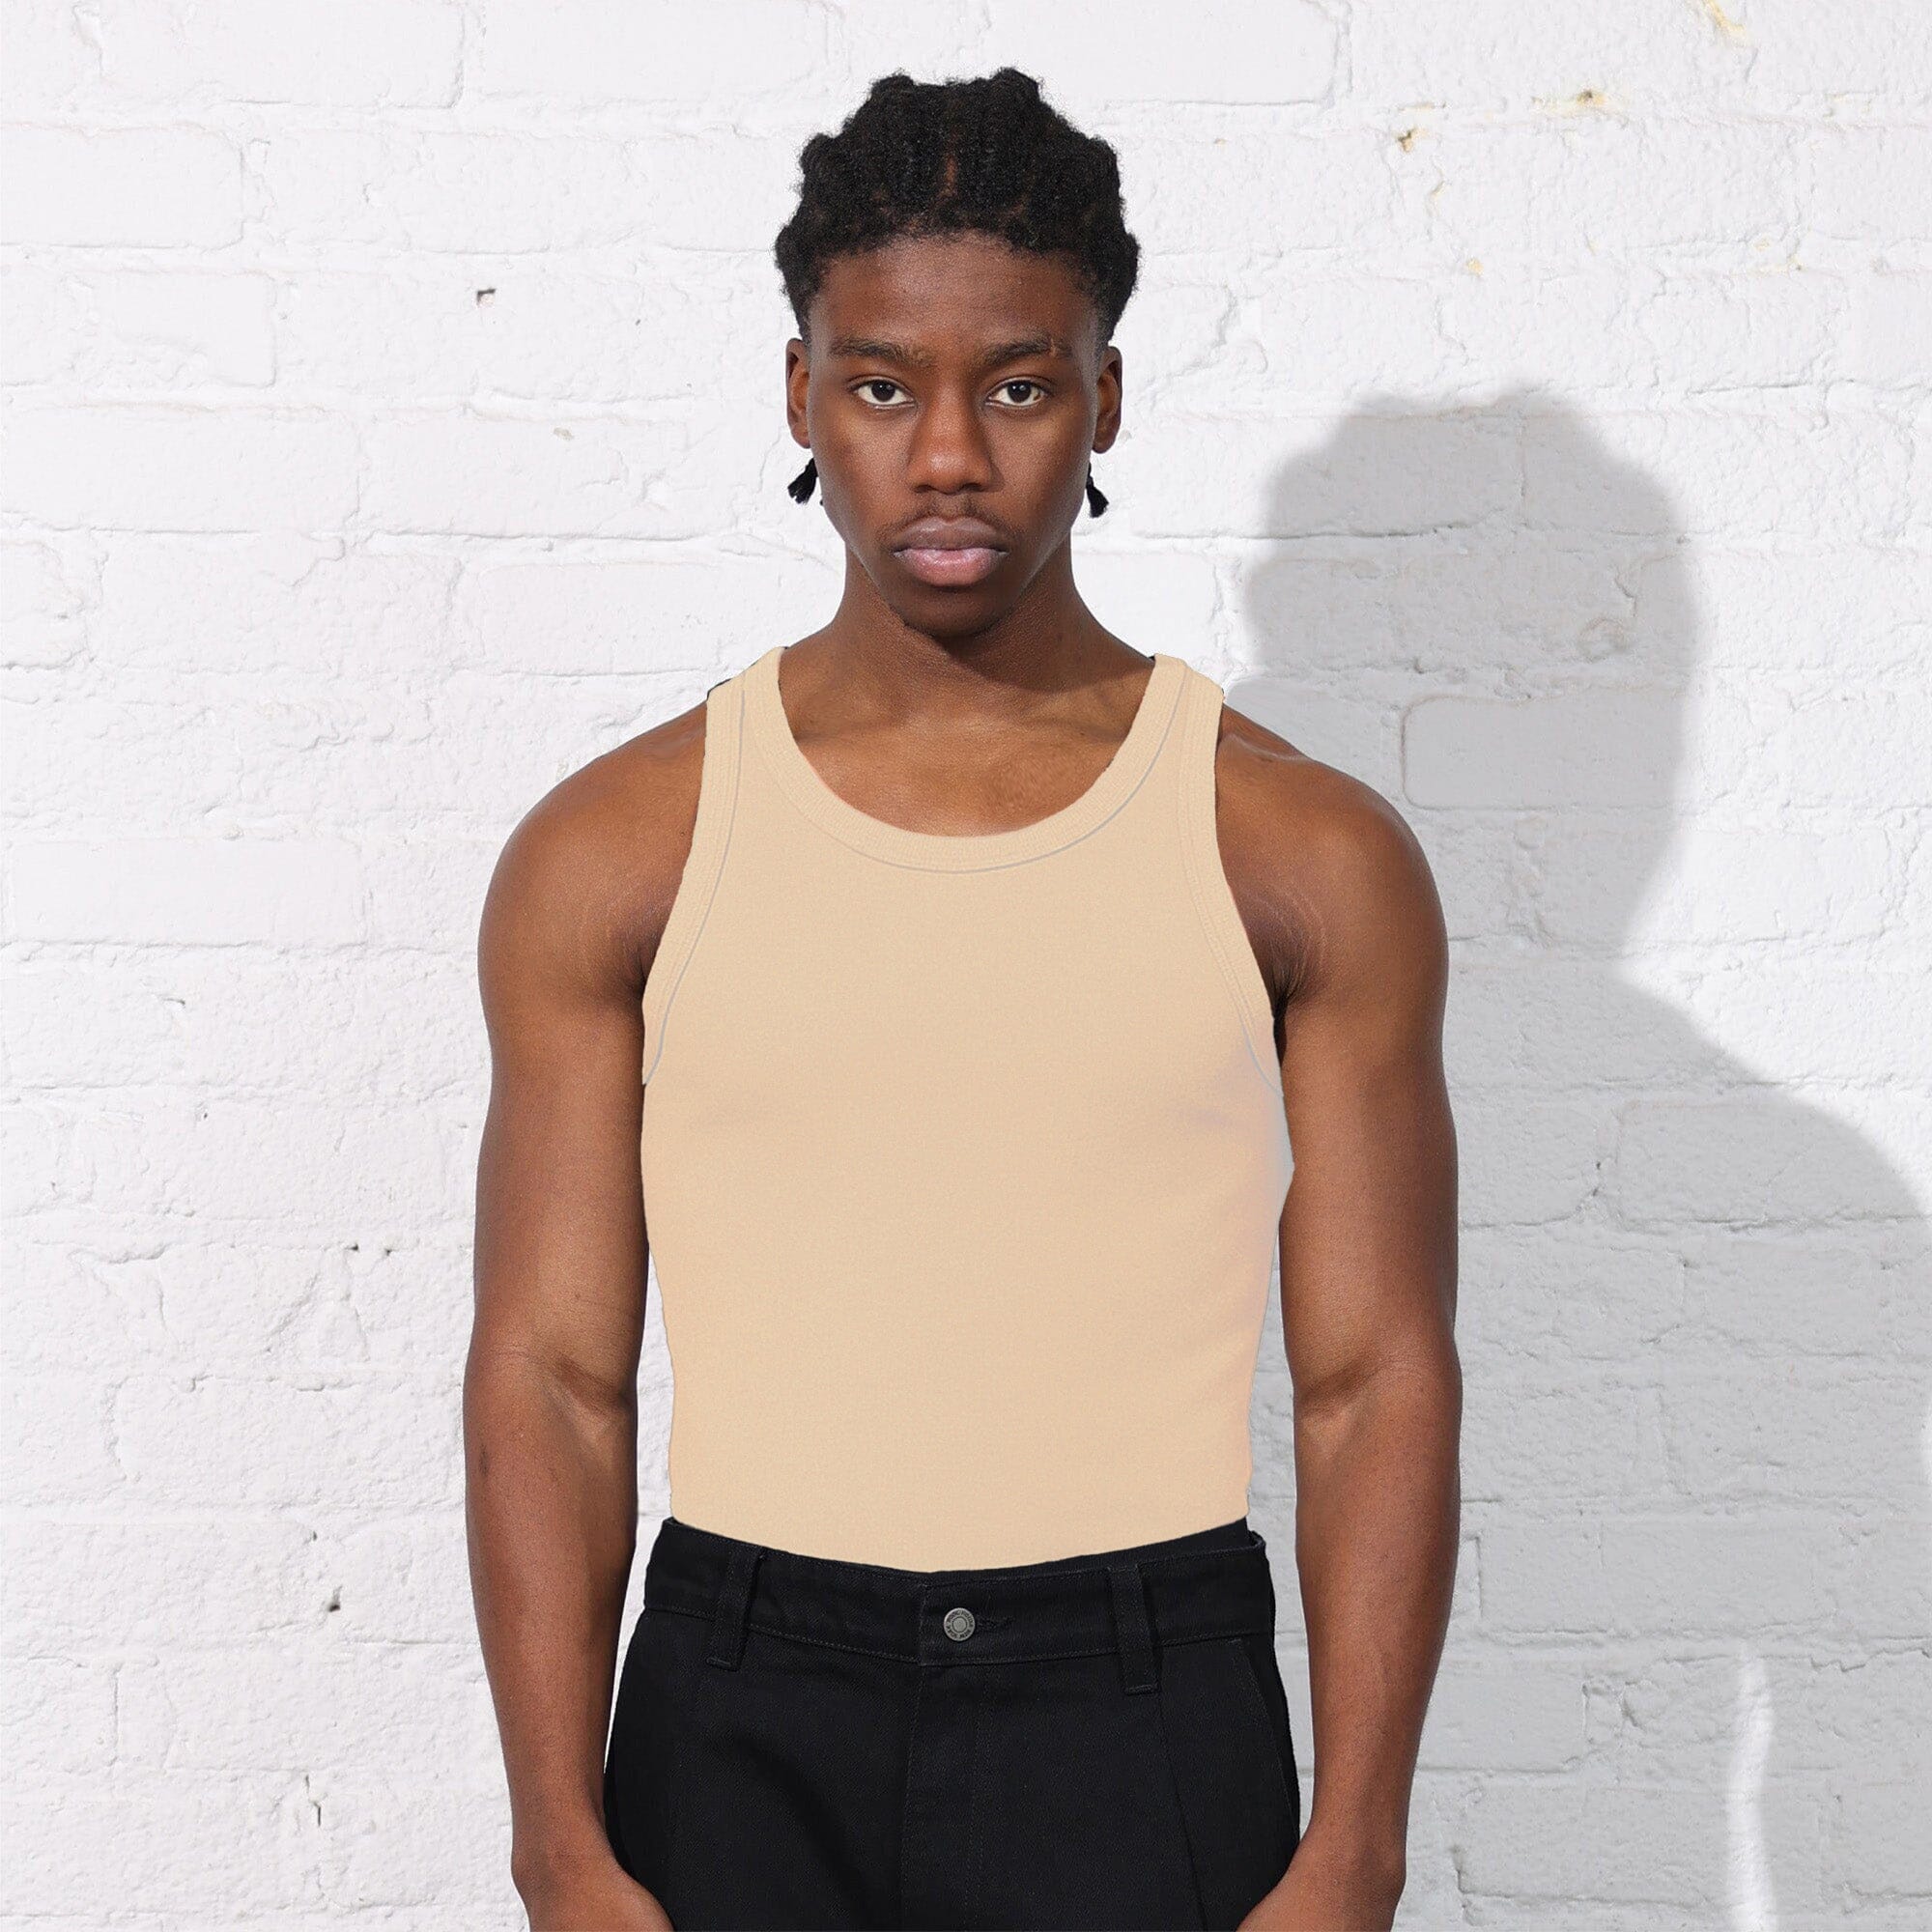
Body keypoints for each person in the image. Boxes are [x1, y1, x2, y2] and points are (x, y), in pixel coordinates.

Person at [465, 68, 1461, 1932]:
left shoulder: (1299, 854)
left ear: (1104, 398)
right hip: (739, 1706)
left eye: (1015, 386)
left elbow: (1374, 1378)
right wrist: (557, 1844)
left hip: (1144, 1704)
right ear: (799, 396)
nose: (945, 456)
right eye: (880, 387)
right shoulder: (620, 850)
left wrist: (1358, 1848)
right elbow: (552, 1371)